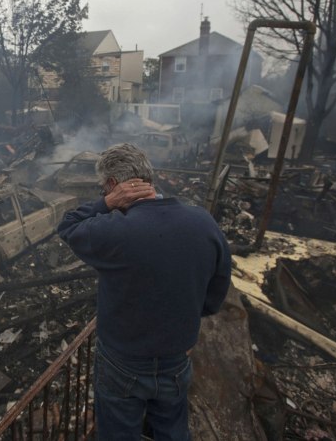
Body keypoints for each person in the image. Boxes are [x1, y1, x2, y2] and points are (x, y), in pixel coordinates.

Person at [57, 143, 232, 440]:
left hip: (122, 361)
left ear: (113, 185)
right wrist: (192, 316)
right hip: (176, 357)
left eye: (105, 188)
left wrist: (106, 203)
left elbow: (68, 226)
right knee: (173, 431)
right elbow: (218, 285)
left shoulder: (114, 230)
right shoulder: (202, 221)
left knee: (118, 433)